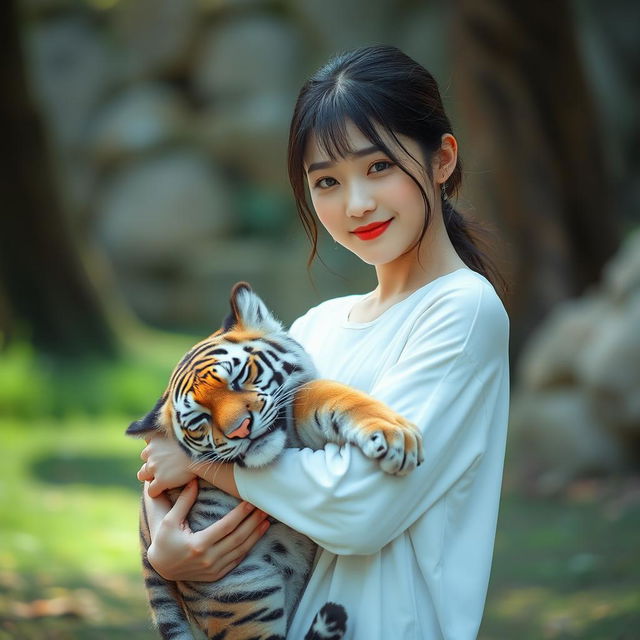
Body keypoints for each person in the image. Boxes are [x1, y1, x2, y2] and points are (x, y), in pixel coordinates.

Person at [136, 45, 510, 639]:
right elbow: (165, 461)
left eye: (379, 167)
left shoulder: (462, 310)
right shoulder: (316, 327)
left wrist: (209, 465)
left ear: (442, 159)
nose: (356, 203)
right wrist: (165, 554)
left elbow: (359, 510)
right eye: (328, 181)